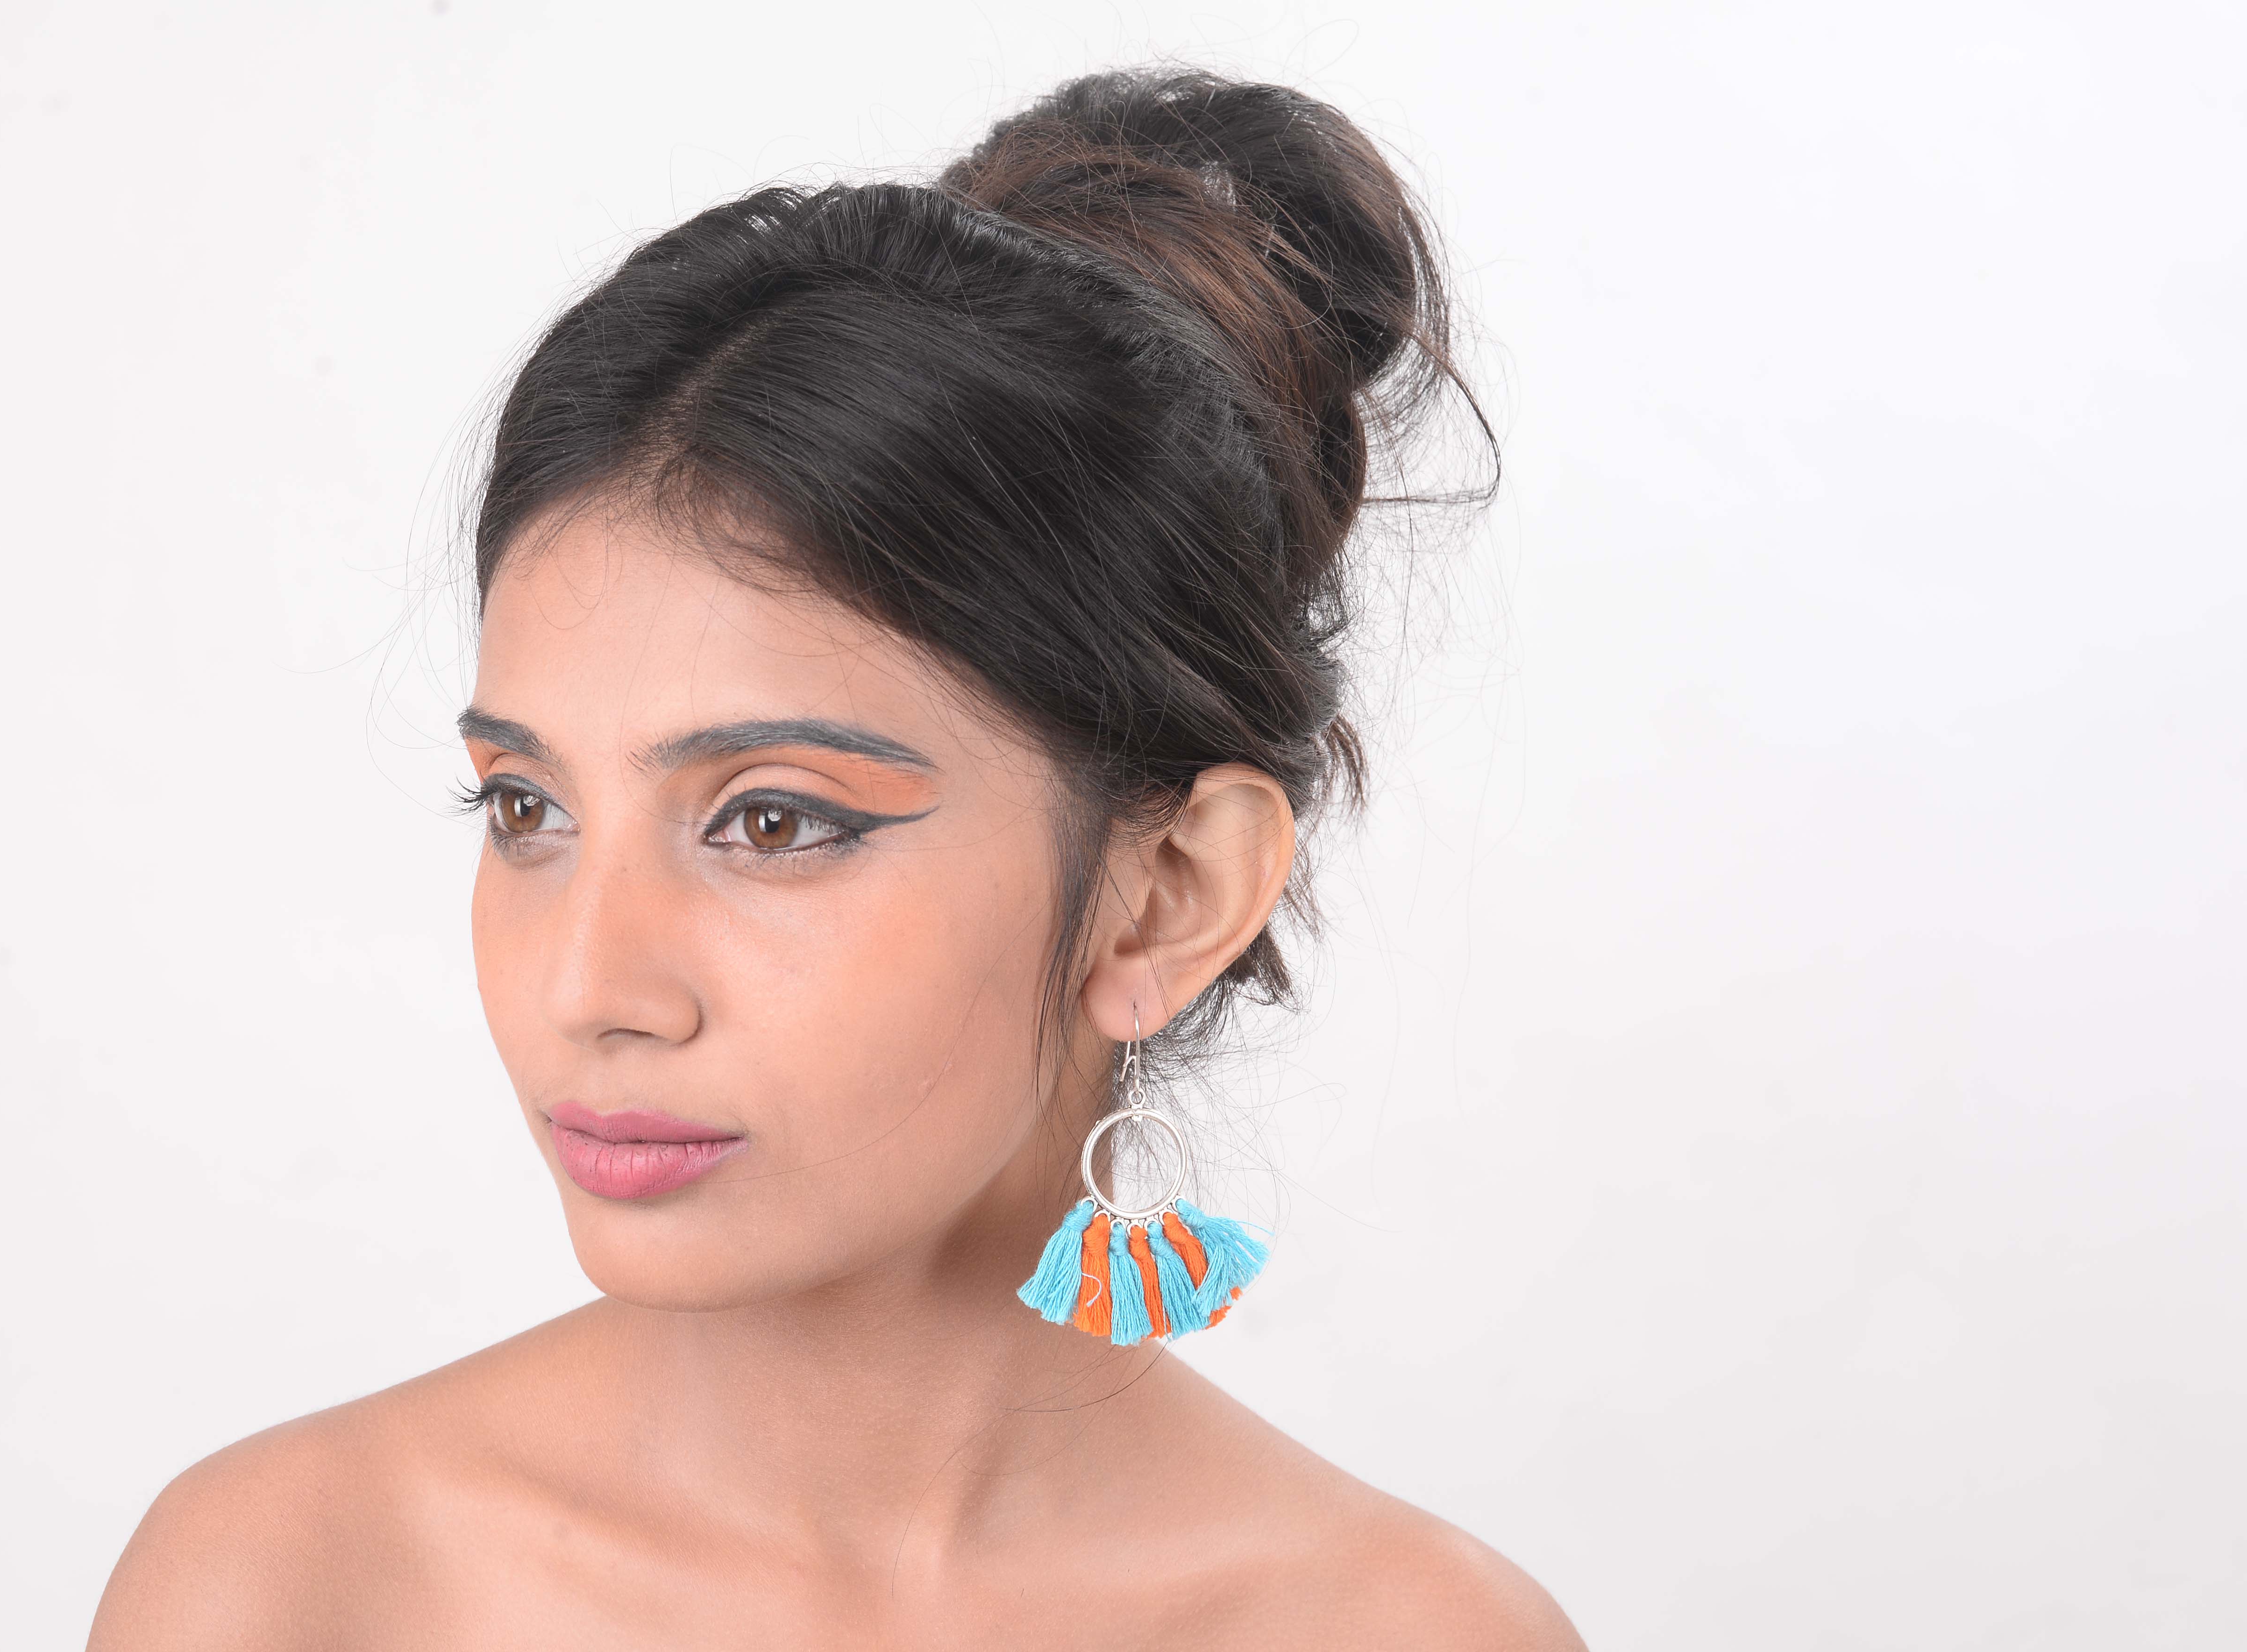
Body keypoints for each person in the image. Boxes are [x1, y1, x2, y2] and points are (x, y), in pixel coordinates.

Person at [89, 67, 1581, 1649]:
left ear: (1168, 897)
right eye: (528, 809)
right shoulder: (295, 1585)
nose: (588, 987)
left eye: (773, 821)